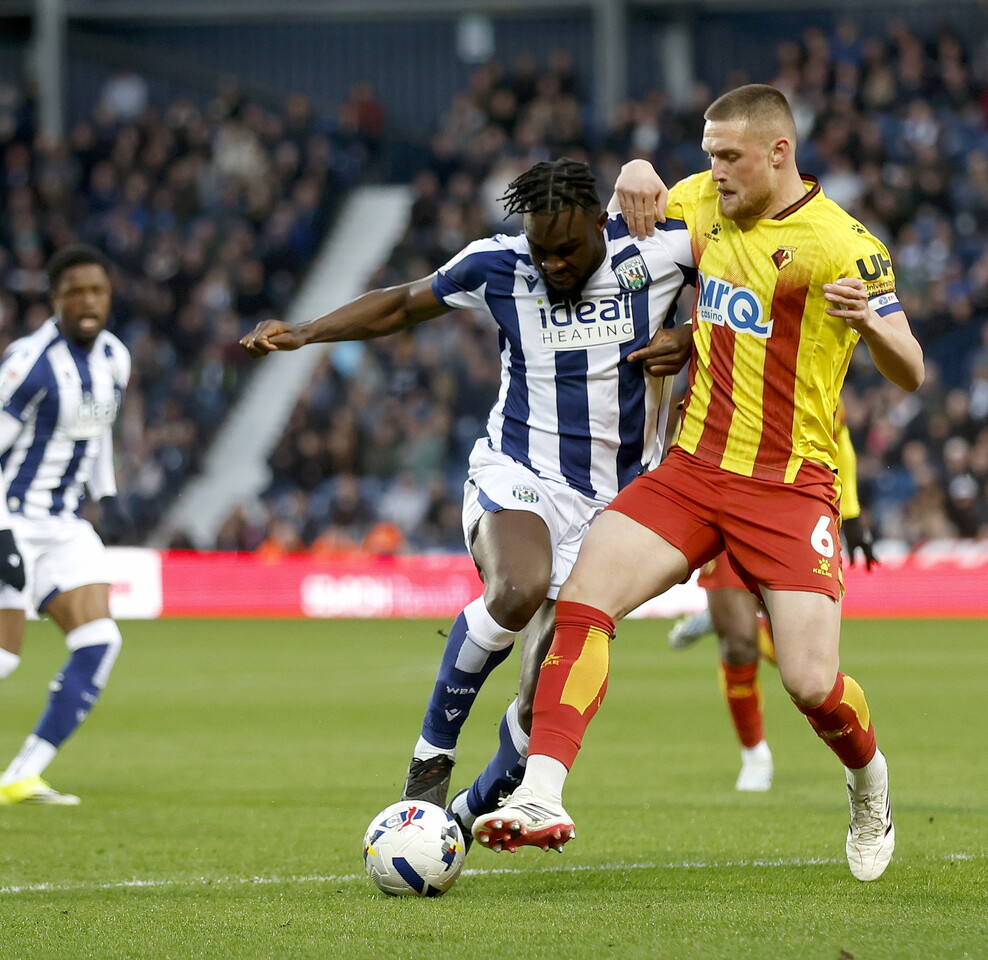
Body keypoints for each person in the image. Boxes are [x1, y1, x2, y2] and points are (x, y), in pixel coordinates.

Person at [473, 84, 924, 882]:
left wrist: (871, 326)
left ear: (779, 152)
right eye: (707, 155)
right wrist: (634, 167)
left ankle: (868, 782)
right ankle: (541, 792)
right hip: (692, 470)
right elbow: (638, 197)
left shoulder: (843, 244)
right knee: (583, 596)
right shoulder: (703, 204)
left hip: (789, 486)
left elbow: (910, 370)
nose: (712, 173)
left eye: (728, 158)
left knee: (812, 684)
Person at [241, 158, 695, 840]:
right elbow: (402, 302)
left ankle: (457, 819)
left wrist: (689, 340)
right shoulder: (498, 264)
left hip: (617, 506)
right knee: (519, 585)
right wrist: (306, 332)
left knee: (542, 702)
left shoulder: (663, 251)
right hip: (519, 473)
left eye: (568, 250)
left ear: (598, 226)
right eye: (543, 252)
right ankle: (432, 755)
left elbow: (743, 298)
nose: (554, 266)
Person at [668, 404, 878, 792]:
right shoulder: (726, 359)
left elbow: (841, 439)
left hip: (791, 509)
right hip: (725, 499)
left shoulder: (813, 368)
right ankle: (754, 754)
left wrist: (852, 515)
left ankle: (726, 617)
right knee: (740, 644)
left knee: (801, 663)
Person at [0, 244, 131, 806]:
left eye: (96, 290)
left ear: (109, 296)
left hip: (63, 524)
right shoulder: (28, 362)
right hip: (10, 518)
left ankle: (20, 776)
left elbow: (96, 433)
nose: (87, 301)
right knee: (5, 657)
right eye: (74, 291)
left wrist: (108, 494)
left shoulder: (115, 358)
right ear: (55, 299)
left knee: (99, 640)